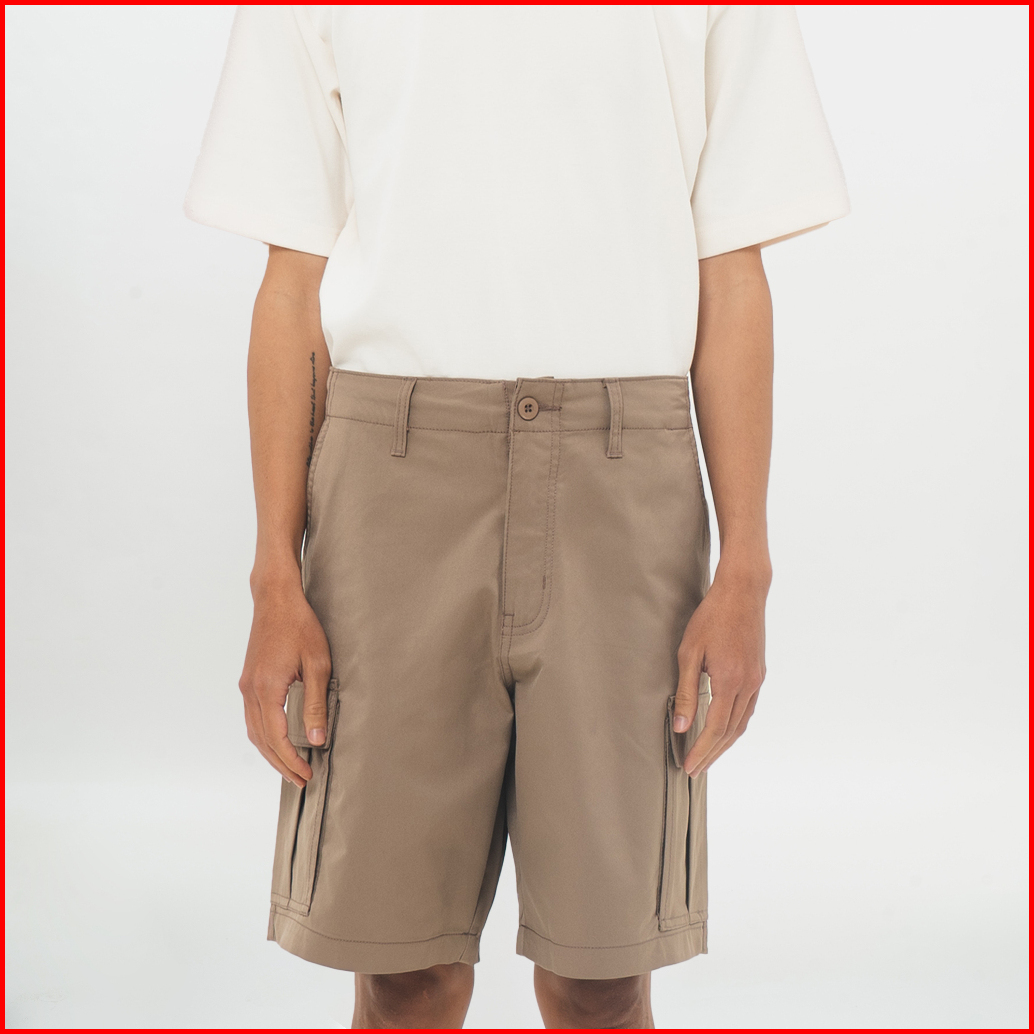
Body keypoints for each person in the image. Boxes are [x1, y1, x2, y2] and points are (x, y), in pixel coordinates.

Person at [185, 5, 848, 1028]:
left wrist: (745, 569)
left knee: (602, 973)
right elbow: (292, 280)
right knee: (402, 971)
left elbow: (730, 269)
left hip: (624, 484)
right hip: (389, 481)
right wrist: (275, 576)